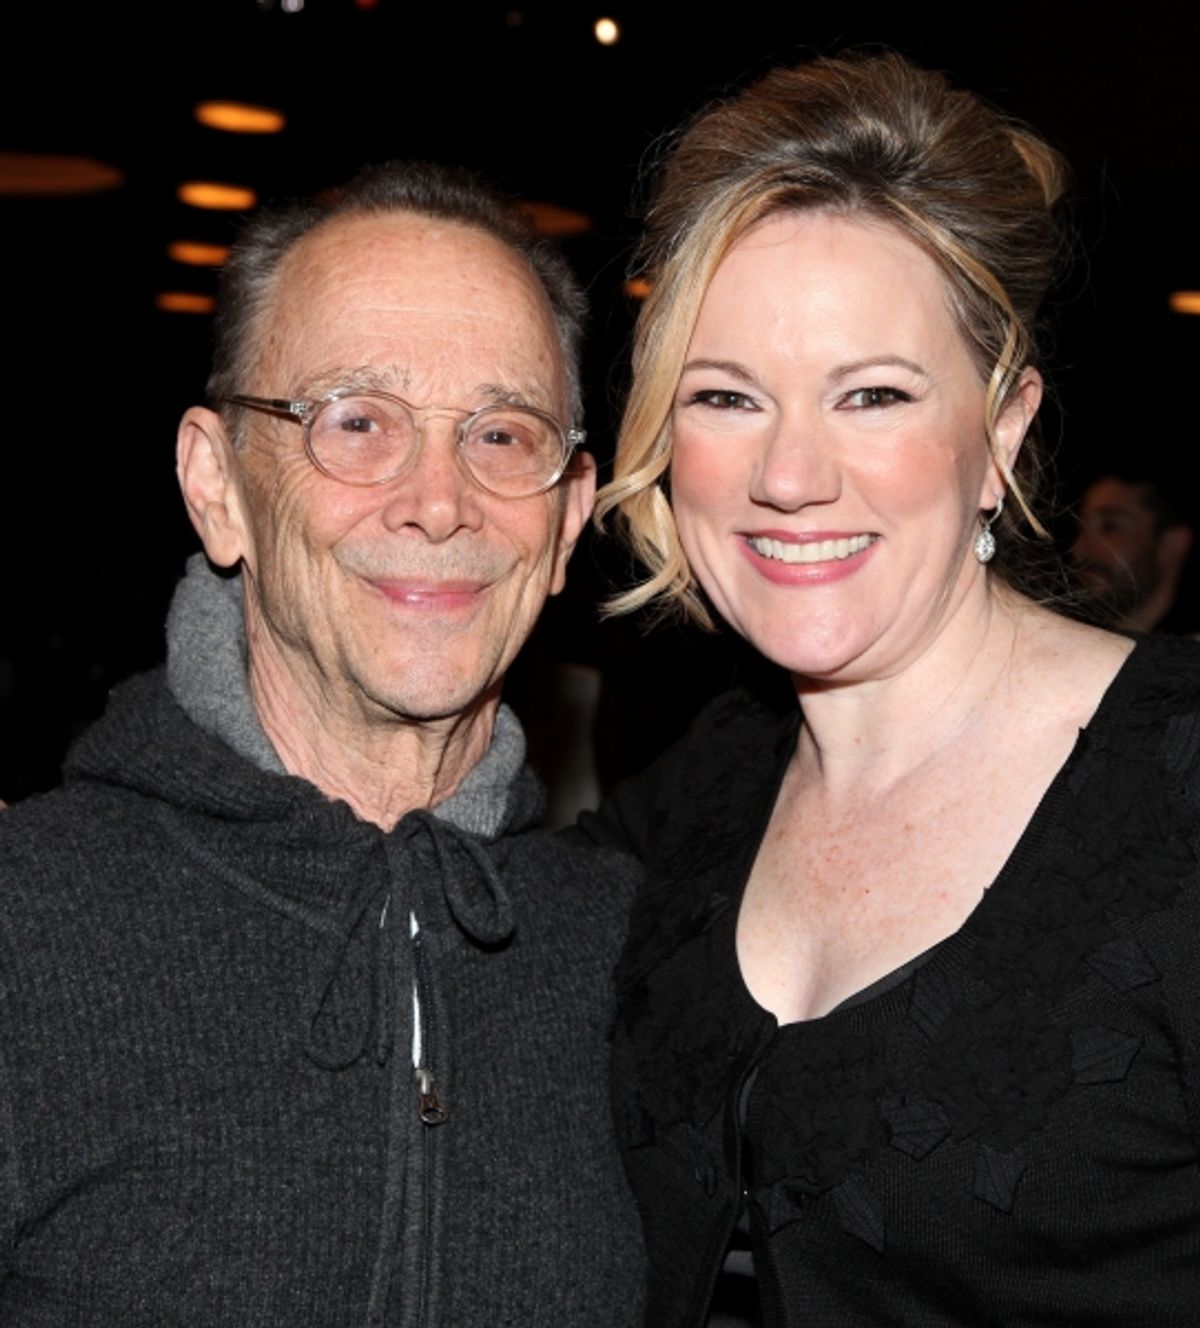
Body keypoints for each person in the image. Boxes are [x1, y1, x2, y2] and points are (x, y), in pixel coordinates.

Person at [580, 53, 1200, 1326]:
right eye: (726, 396)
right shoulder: (689, 807)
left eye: (872, 394)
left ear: (1003, 431)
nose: (791, 472)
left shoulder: (1183, 791)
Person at [0, 162, 644, 1325]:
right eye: (358, 422)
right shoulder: (24, 926)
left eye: (501, 432)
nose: (438, 500)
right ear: (218, 484)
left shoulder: (640, 959)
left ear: (566, 519)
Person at [1071, 468, 1196, 633]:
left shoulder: (1188, 654)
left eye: (1110, 527)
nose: (1079, 549)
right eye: (1080, 528)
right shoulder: (1077, 643)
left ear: (1170, 545)